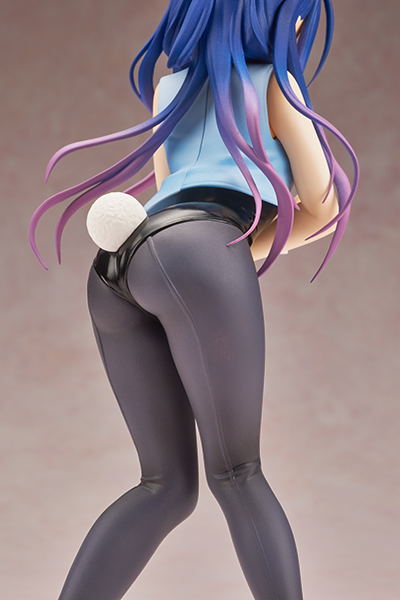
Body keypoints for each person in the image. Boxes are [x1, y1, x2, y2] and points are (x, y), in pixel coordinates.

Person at [28, 2, 359, 599]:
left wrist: (224, 252)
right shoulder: (276, 85)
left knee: (165, 484)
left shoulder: (170, 88)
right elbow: (323, 206)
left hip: (120, 260)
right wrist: (253, 247)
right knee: (238, 472)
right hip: (200, 253)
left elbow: (167, 197)